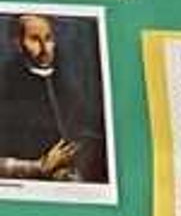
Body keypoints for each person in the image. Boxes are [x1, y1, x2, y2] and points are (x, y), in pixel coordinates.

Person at [0, 11, 104, 187]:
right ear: (18, 44)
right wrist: (38, 167)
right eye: (34, 39)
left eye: (48, 39)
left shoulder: (67, 87)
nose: (44, 48)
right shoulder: (5, 84)